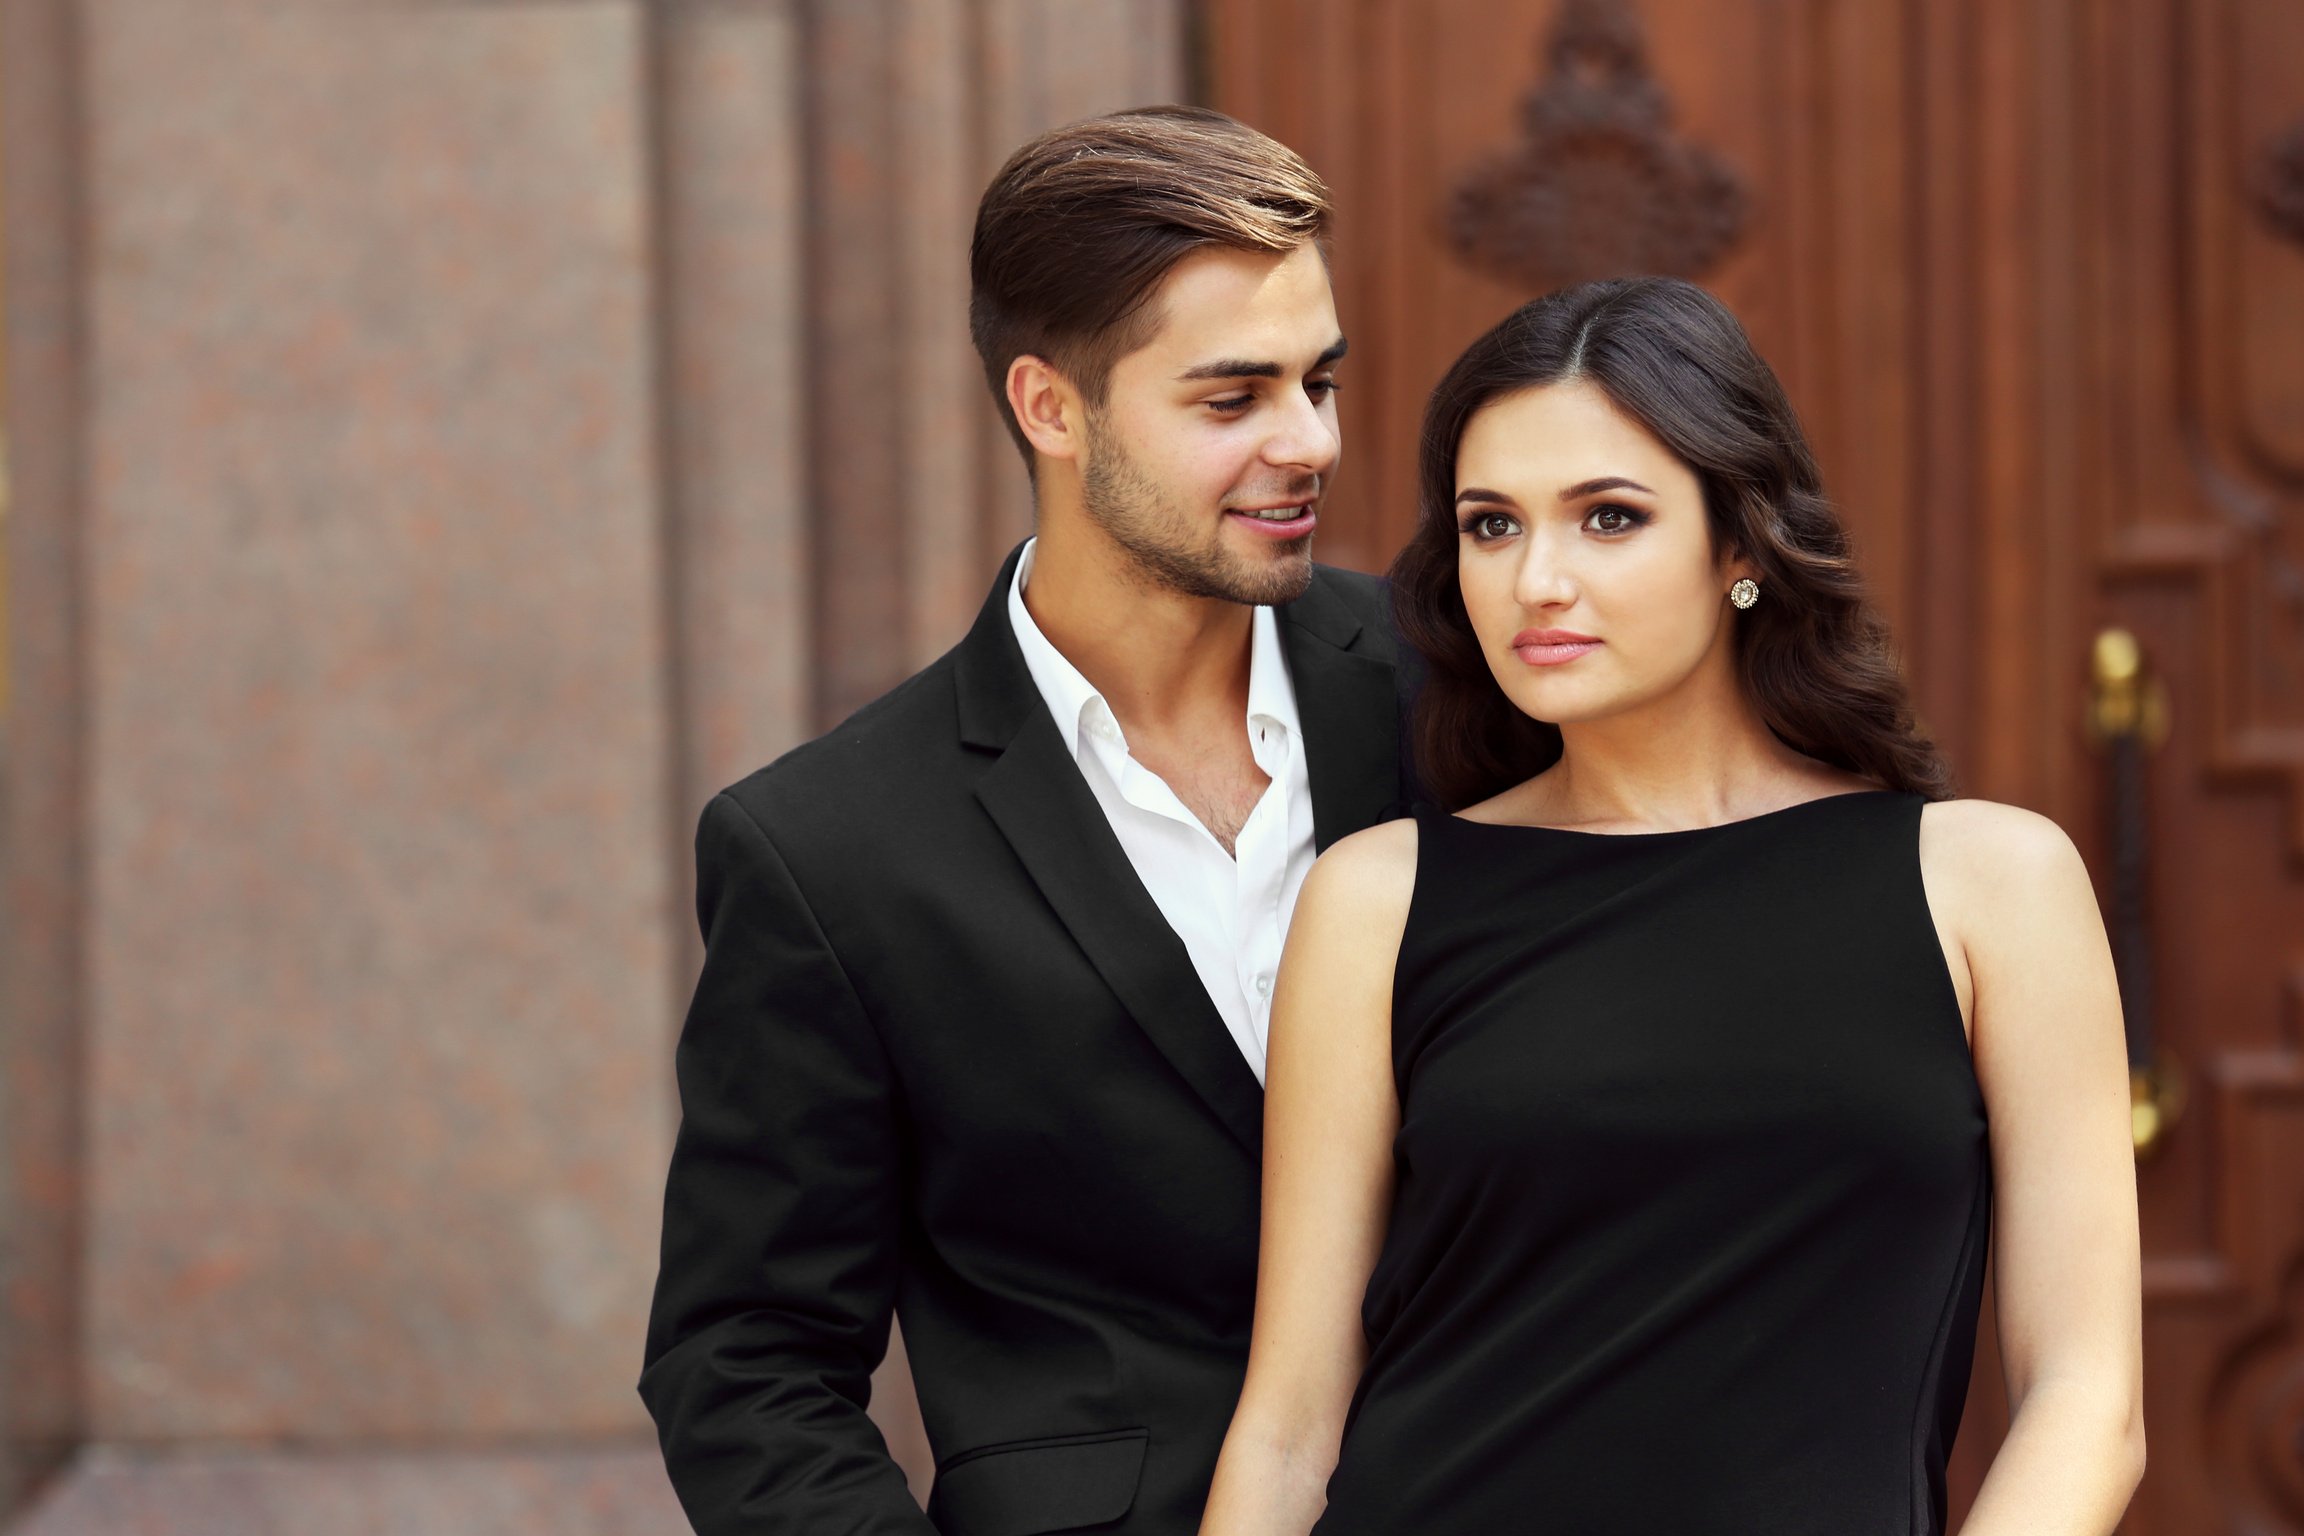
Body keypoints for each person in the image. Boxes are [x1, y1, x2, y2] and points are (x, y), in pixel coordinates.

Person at [1201, 277, 2145, 1535]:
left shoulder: (1990, 885)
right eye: (1491, 526)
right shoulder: (1379, 899)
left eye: (1608, 517)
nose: (1537, 579)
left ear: (1742, 547)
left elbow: (2090, 1402)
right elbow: (1289, 1427)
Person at [640, 106, 1415, 1536]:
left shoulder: (1458, 699)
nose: (1309, 441)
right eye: (1231, 398)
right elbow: (743, 1360)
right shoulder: (829, 852)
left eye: (1322, 380)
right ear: (1051, 408)